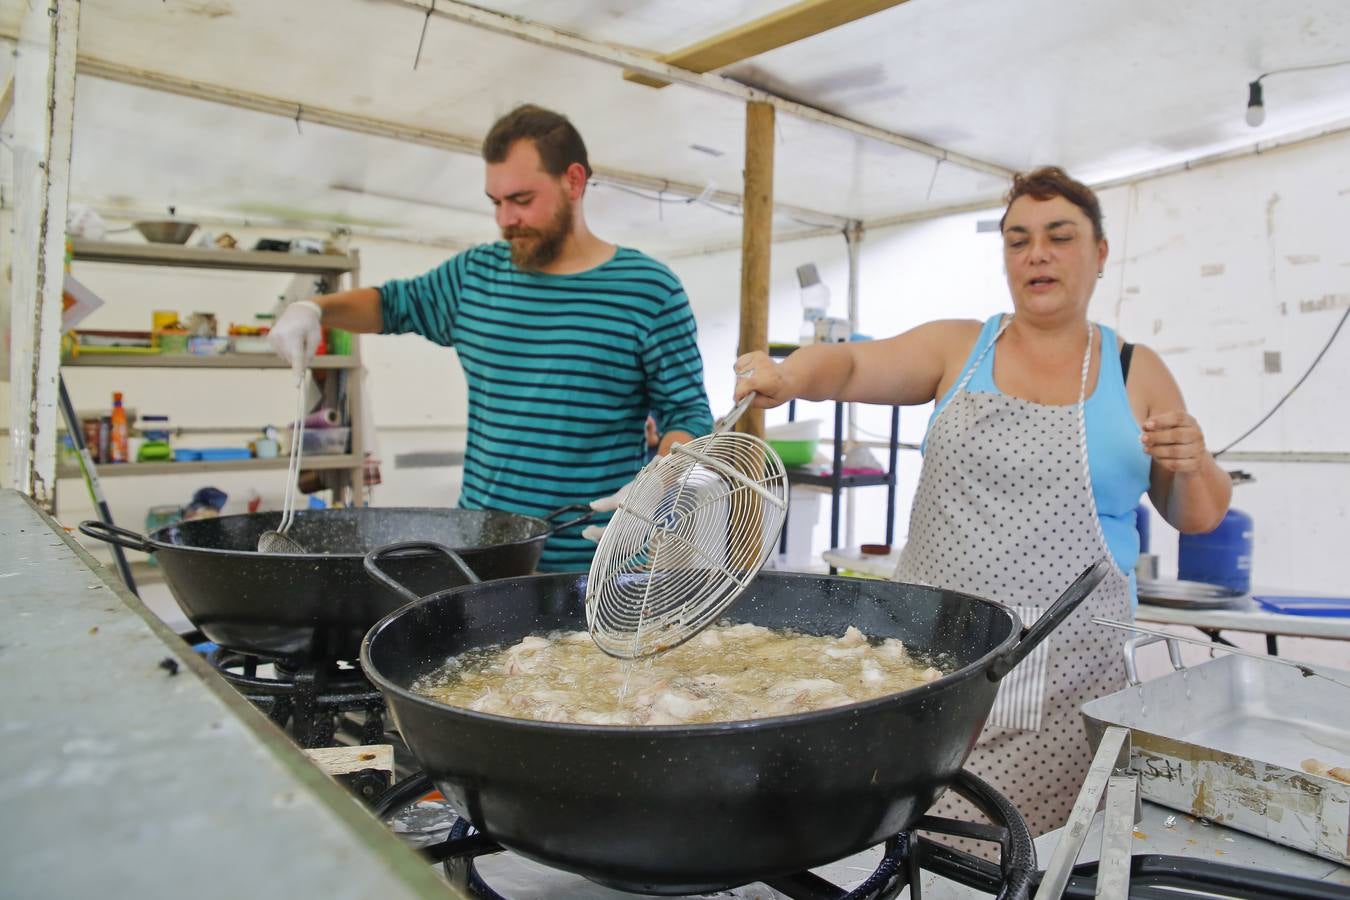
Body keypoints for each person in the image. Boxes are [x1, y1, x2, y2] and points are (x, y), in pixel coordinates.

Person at [734, 166, 1231, 837]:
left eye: (1059, 236)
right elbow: (851, 365)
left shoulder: (1133, 370)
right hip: (930, 663)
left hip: (1069, 680)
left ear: (1099, 252)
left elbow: (1197, 513)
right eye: (1018, 239)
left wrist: (1192, 459)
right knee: (910, 846)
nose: (1038, 254)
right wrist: (789, 374)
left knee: (1032, 858)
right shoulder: (958, 348)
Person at [268, 104, 714, 571]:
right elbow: (391, 304)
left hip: (595, 566)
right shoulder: (474, 275)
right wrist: (316, 308)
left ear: (574, 181)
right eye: (495, 202)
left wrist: (661, 481)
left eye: (522, 200)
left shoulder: (648, 290)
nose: (505, 219)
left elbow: (687, 411)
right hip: (480, 555)